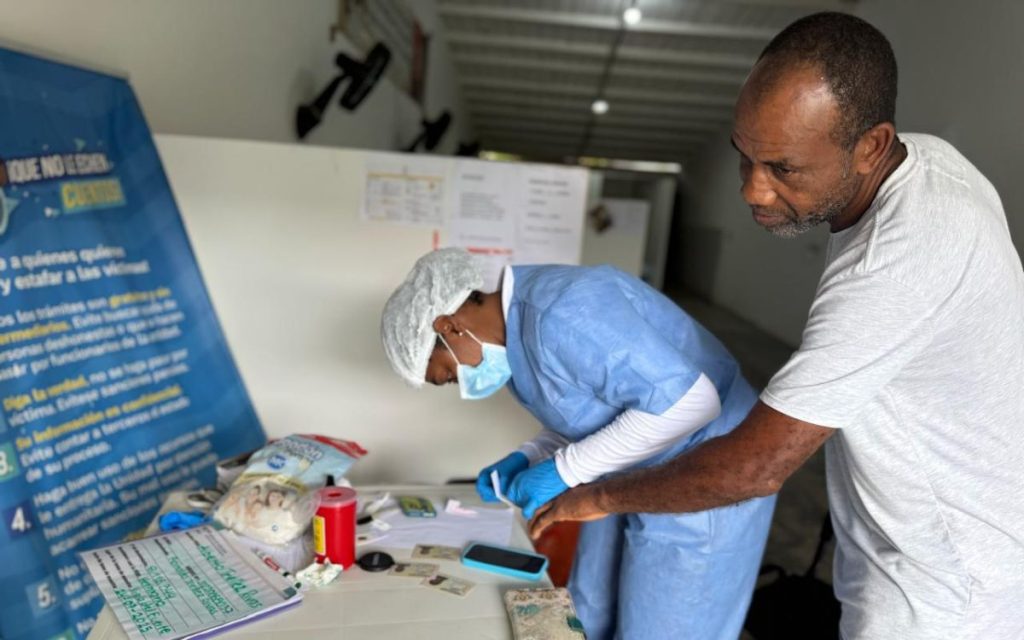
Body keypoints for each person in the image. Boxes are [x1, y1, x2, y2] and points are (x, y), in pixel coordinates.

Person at [530, 12, 1024, 640]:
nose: (754, 192)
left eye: (783, 169)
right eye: (745, 158)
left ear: (870, 144)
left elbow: (755, 469)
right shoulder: (929, 163)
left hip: (943, 592)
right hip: (941, 539)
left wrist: (593, 495)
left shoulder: (896, 263)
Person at [380, 249, 776, 639]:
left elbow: (691, 404)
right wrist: (532, 454)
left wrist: (563, 469)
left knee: (665, 627)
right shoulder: (514, 339)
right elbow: (593, 410)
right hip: (629, 475)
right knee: (589, 610)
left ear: (448, 327)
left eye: (448, 375)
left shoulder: (561, 311)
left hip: (701, 470)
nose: (461, 385)